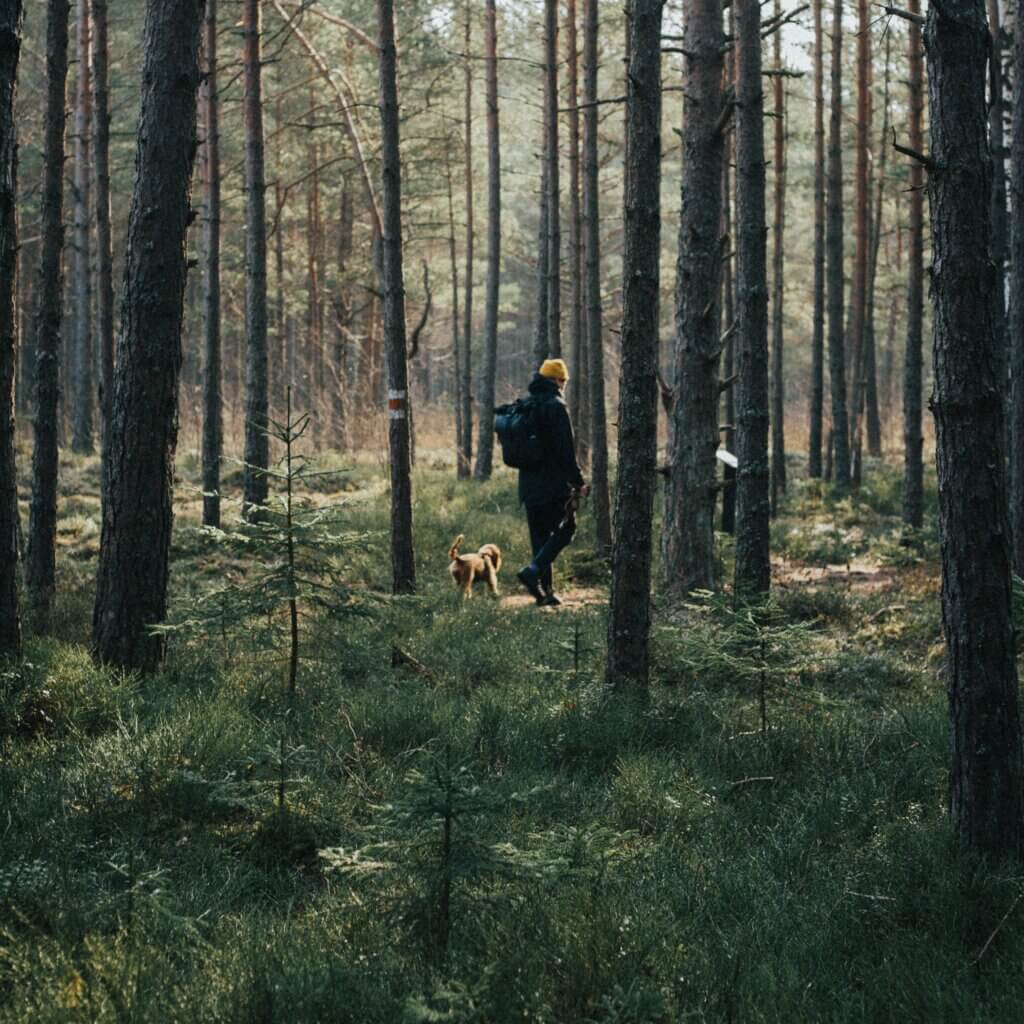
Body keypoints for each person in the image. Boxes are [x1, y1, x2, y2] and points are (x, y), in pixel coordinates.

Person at [516, 359, 590, 607]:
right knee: (566, 530)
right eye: (564, 381)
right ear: (557, 381)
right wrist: (578, 482)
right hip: (553, 486)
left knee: (540, 536)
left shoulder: (526, 405)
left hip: (527, 486)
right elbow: (565, 452)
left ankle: (545, 592)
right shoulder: (556, 407)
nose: (565, 385)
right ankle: (533, 571)